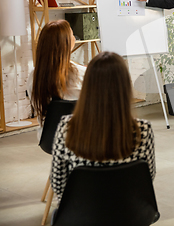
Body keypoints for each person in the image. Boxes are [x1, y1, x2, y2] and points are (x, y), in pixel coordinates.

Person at [50, 52, 156, 200]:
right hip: (128, 215)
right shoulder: (143, 130)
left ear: (87, 86)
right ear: (125, 86)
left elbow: (58, 184)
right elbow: (148, 177)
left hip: (79, 215)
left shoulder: (67, 127)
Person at [28, 20, 86, 141]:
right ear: (67, 43)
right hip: (81, 138)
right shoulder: (83, 73)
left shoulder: (34, 75)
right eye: (72, 36)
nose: (74, 38)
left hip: (49, 138)